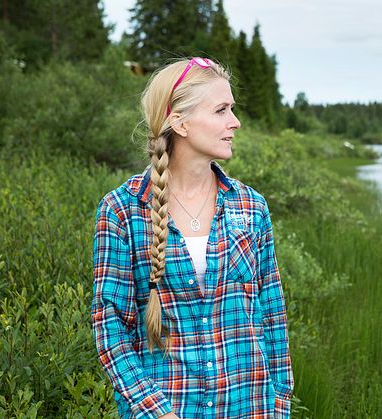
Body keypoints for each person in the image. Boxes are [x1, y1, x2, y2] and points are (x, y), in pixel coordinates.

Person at [91, 57, 294, 418]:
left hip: (249, 408)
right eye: (221, 110)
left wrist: (279, 405)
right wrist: (157, 411)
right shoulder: (122, 211)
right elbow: (110, 327)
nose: (235, 122)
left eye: (232, 108)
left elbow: (273, 317)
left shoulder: (251, 207)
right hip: (167, 409)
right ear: (179, 122)